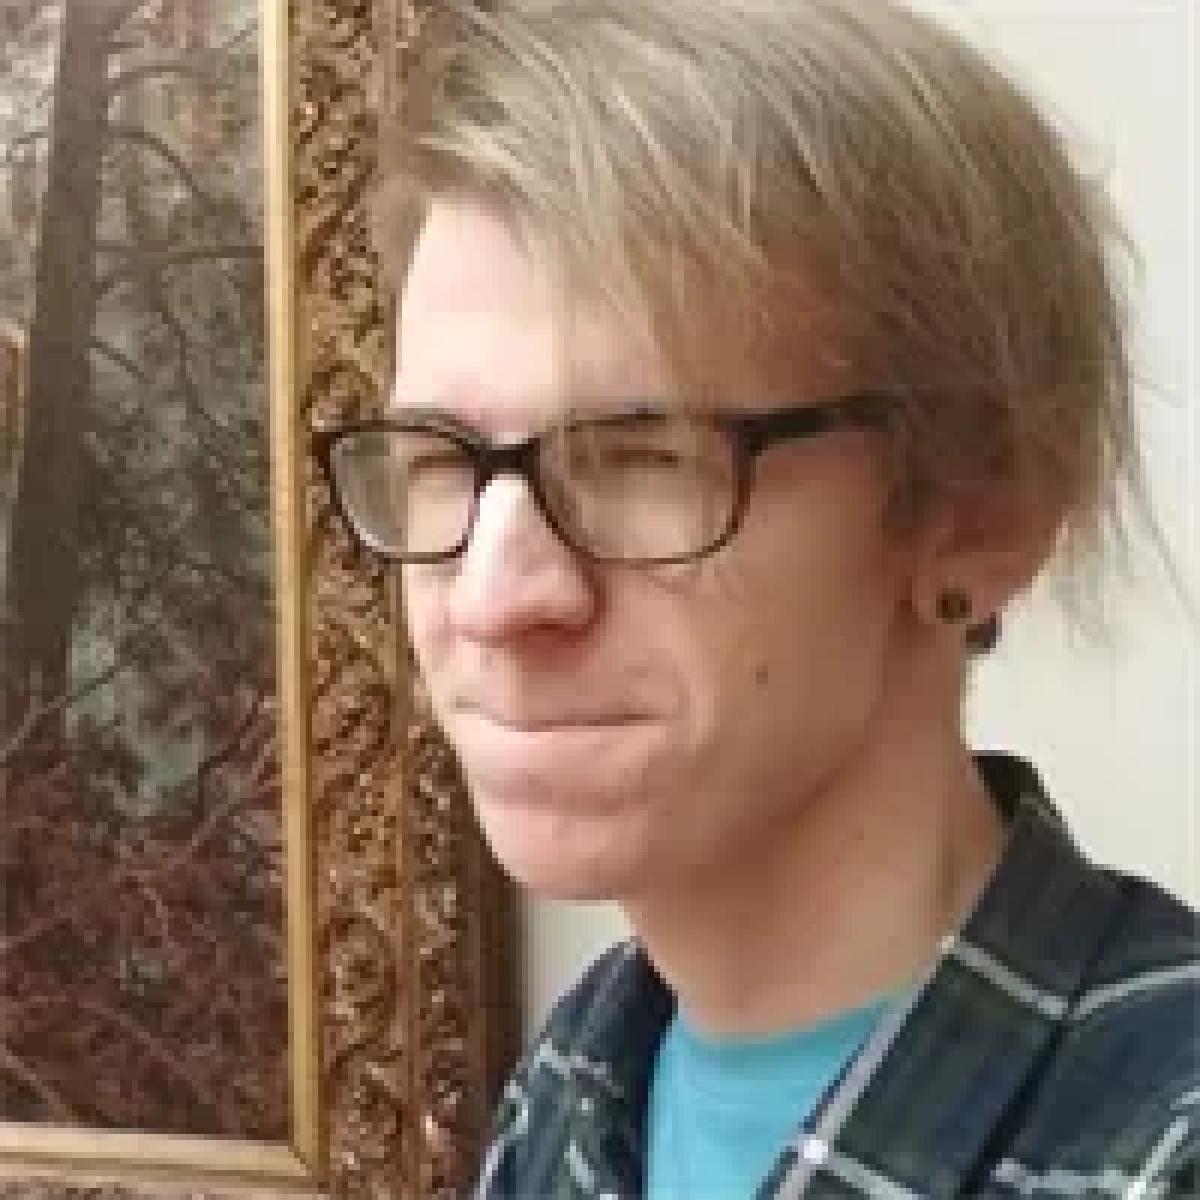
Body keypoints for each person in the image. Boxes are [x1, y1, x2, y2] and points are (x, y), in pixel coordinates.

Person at [316, 0, 1199, 1194]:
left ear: (978, 516)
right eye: (440, 462)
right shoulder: (578, 1084)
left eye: (644, 458)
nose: (493, 597)